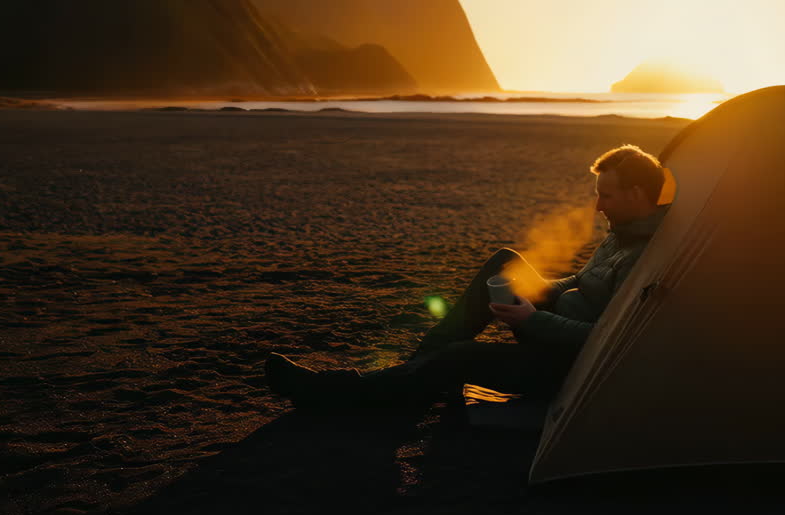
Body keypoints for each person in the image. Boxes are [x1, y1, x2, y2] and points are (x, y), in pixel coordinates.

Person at [264, 144, 670, 411]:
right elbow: (582, 279)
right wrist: (540, 290)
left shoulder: (643, 255)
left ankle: (335, 391)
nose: (598, 206)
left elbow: (607, 337)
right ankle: (414, 371)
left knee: (459, 358)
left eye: (608, 196)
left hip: (567, 363)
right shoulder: (622, 232)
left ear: (636, 195)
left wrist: (532, 319)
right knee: (504, 262)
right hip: (551, 325)